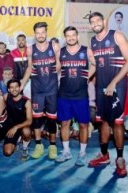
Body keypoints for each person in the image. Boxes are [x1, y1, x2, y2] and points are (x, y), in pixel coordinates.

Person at [88, 12, 128, 177]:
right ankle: (104, 155)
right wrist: (84, 79)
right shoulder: (92, 42)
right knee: (102, 121)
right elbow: (94, 66)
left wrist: (113, 83)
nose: (96, 23)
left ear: (104, 21)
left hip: (117, 85)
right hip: (101, 87)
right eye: (92, 22)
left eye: (98, 20)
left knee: (117, 123)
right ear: (90, 25)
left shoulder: (117, 35)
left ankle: (120, 159)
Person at [55, 26, 96, 166]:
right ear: (65, 38)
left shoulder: (86, 50)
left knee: (83, 124)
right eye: (68, 35)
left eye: (73, 35)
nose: (71, 37)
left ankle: (82, 153)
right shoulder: (61, 52)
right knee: (64, 123)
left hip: (81, 95)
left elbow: (95, 65)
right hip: (64, 95)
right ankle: (66, 152)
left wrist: (86, 77)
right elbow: (55, 69)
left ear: (78, 36)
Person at [21, 22, 61, 160]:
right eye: (38, 33)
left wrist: (56, 69)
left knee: (51, 119)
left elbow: (59, 64)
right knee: (37, 119)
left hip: (51, 89)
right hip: (37, 89)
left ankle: (52, 146)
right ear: (34, 34)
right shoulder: (30, 49)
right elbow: (29, 68)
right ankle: (38, 145)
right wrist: (22, 83)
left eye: (43, 32)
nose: (40, 35)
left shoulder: (54, 46)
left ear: (46, 32)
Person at [3, 79, 32, 160]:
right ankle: (17, 141)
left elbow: (29, 120)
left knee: (26, 132)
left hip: (23, 125)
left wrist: (16, 127)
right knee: (7, 152)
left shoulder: (26, 101)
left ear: (20, 88)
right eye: (11, 87)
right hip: (10, 126)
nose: (14, 89)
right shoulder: (6, 97)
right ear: (8, 89)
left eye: (16, 87)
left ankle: (25, 147)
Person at [10, 34, 31, 98]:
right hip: (17, 80)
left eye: (23, 40)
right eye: (19, 40)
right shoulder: (12, 52)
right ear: (17, 42)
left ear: (25, 41)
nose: (21, 42)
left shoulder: (30, 51)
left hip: (29, 80)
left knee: (29, 98)